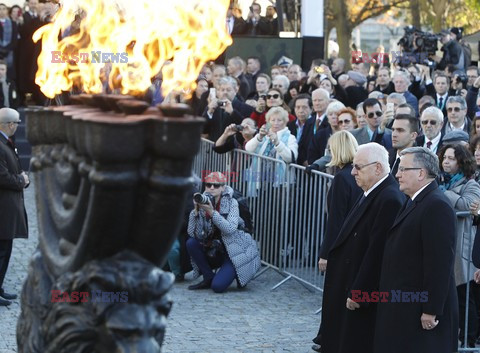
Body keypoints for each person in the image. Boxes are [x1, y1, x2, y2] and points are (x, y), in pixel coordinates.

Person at [317, 143, 404, 353]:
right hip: (346, 281)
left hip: (359, 290)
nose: (353, 171)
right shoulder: (369, 190)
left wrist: (360, 293)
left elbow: (377, 253)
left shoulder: (389, 198)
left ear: (377, 168)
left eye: (358, 167)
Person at [375, 147, 458, 353]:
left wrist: (431, 310)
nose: (397, 174)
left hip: (419, 309)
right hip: (404, 304)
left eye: (403, 169)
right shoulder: (414, 200)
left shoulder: (436, 206)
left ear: (421, 173)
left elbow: (439, 263)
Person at [186, 172, 260, 293]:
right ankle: (208, 277)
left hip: (235, 251)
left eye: (216, 185)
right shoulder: (203, 200)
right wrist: (195, 212)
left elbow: (230, 229)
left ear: (223, 187)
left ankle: (235, 271)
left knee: (218, 287)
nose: (211, 188)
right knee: (191, 243)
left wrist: (212, 213)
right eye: (208, 185)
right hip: (216, 248)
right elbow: (195, 234)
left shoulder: (232, 202)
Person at [438, 144, 480, 348]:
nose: (446, 161)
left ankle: (469, 340)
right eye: (444, 157)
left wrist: (442, 193)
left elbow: (468, 205)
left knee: (465, 296)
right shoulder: (440, 181)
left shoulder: (470, 183)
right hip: (446, 245)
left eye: (451, 158)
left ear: (461, 162)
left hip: (462, 248)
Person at [0, 108, 28, 306]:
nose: (17, 127)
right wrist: (21, 179)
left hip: (8, 207)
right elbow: (3, 177)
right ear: (9, 125)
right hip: (3, 209)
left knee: (5, 250)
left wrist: (22, 178)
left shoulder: (5, 143)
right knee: (2, 251)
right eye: (16, 123)